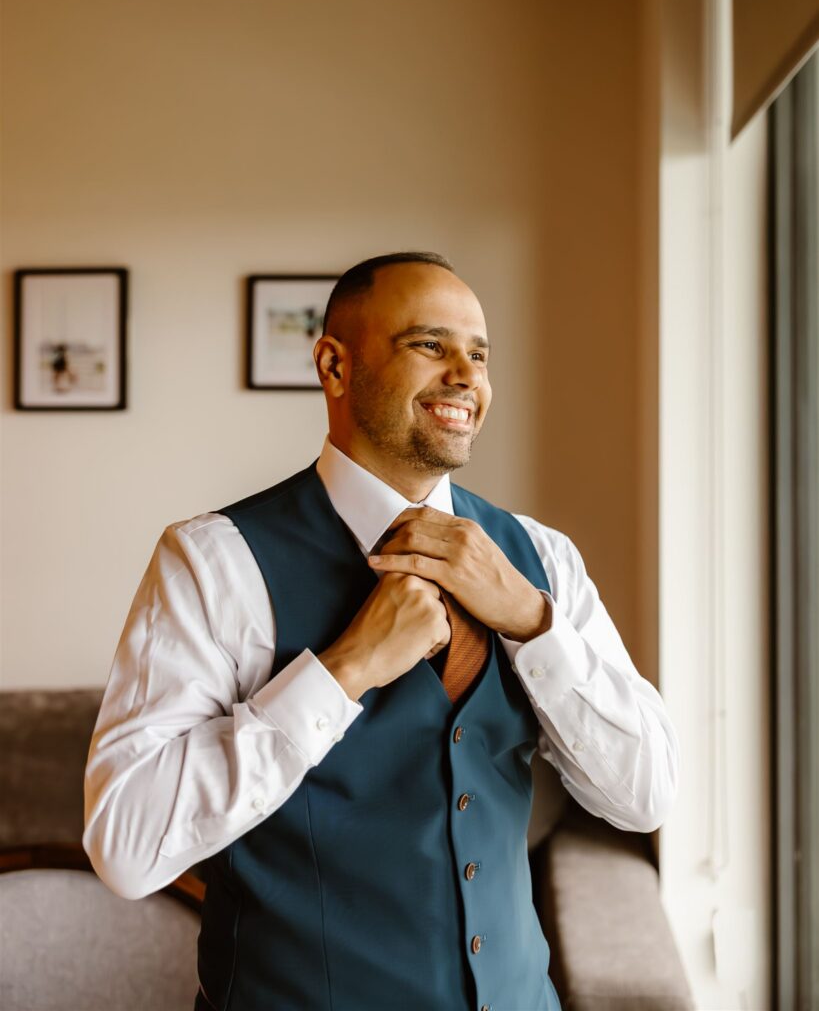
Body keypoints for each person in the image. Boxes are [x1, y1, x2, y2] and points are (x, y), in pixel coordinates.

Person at [83, 252, 679, 1011]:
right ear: (335, 365)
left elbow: (646, 796)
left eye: (479, 355)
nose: (464, 375)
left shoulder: (542, 560)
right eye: (430, 344)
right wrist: (344, 670)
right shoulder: (213, 562)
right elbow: (126, 848)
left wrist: (533, 624)